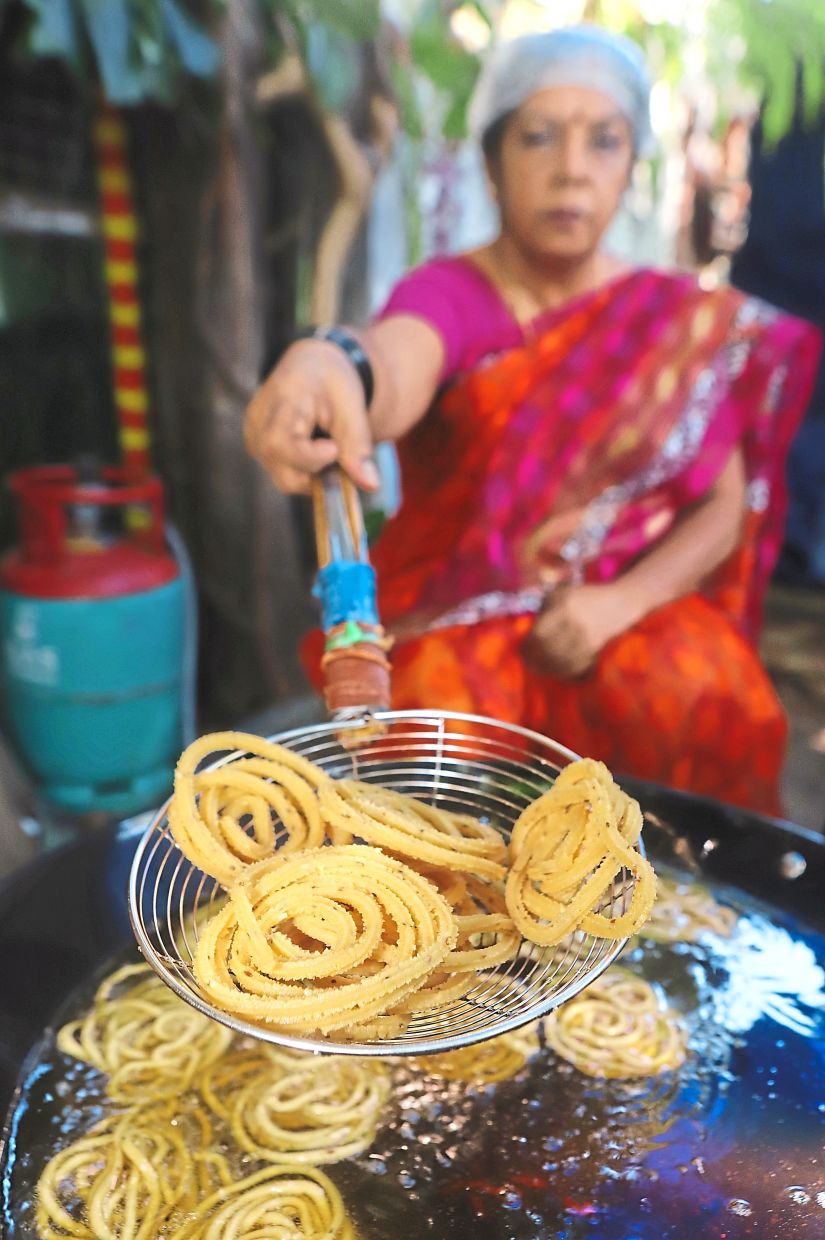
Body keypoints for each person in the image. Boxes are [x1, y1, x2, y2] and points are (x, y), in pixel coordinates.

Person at [245, 26, 821, 815]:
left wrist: (614, 606)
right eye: (539, 136)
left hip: (618, 610)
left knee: (709, 692)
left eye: (603, 140)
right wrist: (334, 363)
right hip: (455, 612)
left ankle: (674, 909)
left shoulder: (666, 321)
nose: (571, 168)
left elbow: (720, 507)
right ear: (489, 161)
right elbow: (394, 365)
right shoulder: (453, 293)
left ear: (629, 167)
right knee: (429, 740)